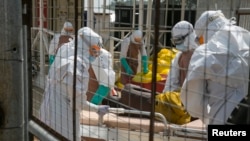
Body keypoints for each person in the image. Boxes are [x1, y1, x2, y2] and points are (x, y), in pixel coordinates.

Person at [39, 27, 110, 141]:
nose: (95, 55)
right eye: (94, 50)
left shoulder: (65, 50)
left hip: (47, 110)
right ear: (85, 46)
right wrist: (96, 108)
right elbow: (78, 102)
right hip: (62, 120)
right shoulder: (77, 66)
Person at [180, 10, 250, 125]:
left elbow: (193, 102)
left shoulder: (204, 52)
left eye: (201, 39)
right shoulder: (247, 38)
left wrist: (206, 116)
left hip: (223, 119)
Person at [162, 20, 198, 92]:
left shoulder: (201, 56)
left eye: (179, 40)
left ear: (188, 37)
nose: (177, 44)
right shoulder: (178, 57)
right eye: (175, 41)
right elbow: (171, 82)